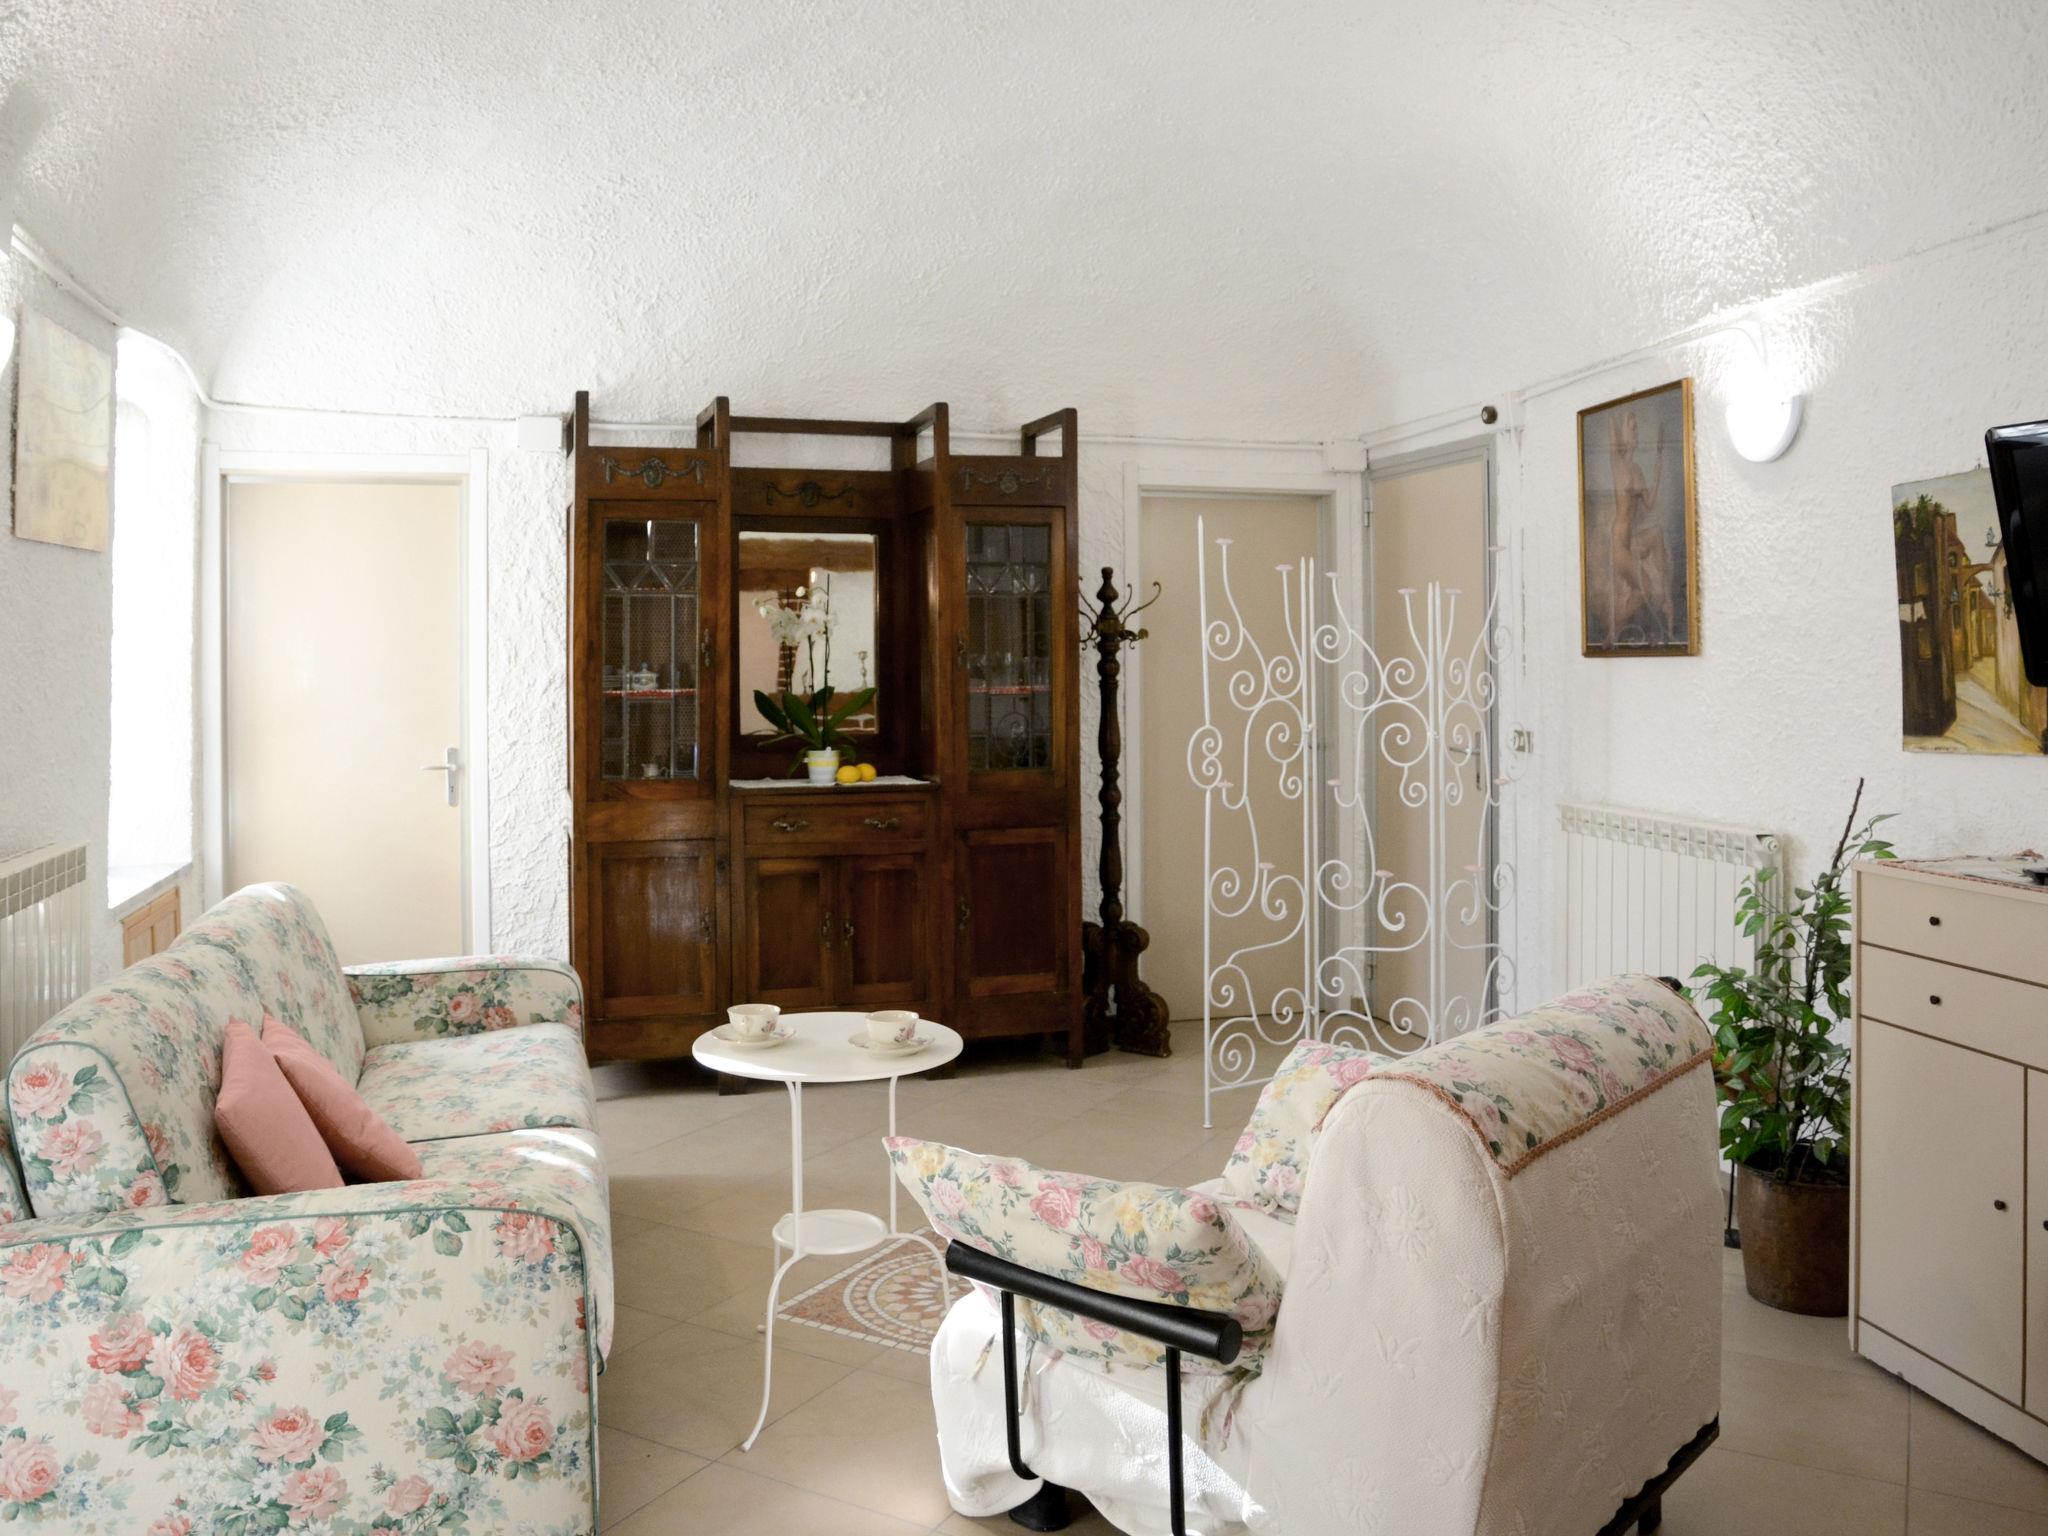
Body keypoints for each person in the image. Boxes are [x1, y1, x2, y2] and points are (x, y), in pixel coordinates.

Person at [1605, 407, 1678, 644]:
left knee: (1656, 534)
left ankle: (1666, 598)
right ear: (1622, 433)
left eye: (1636, 428)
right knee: (1643, 587)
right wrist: (1612, 414)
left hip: (1630, 541)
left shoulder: (1637, 470)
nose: (1636, 432)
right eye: (1632, 428)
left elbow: (1649, 503)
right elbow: (1610, 423)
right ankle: (1612, 633)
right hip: (1619, 544)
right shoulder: (1617, 463)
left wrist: (1658, 460)